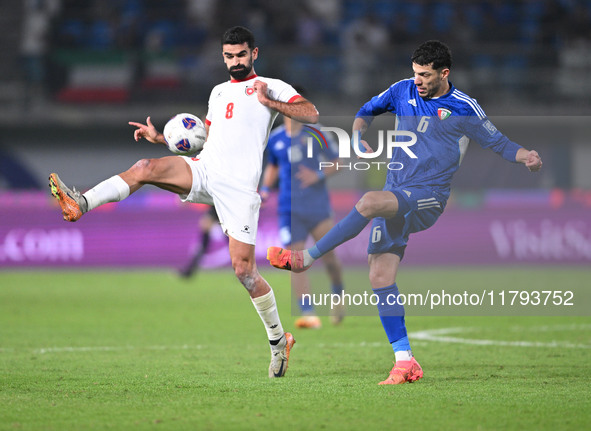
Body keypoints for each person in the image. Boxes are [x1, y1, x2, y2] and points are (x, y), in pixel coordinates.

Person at [48, 26, 319, 378]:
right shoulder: (218, 92)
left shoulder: (272, 86)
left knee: (244, 271)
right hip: (205, 170)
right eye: (228, 56)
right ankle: (80, 203)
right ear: (223, 57)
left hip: (239, 189)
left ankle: (278, 341)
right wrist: (162, 138)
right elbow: (206, 141)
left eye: (241, 55)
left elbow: (311, 113)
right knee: (144, 167)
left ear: (255, 54)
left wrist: (273, 103)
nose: (235, 61)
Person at [267, 40, 542, 385]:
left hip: (429, 196)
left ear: (444, 73)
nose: (419, 81)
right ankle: (405, 360)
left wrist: (526, 157)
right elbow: (366, 110)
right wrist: (356, 135)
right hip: (397, 191)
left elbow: (498, 142)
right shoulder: (402, 90)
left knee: (368, 201)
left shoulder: (463, 106)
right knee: (380, 276)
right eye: (415, 74)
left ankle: (305, 258)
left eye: (425, 76)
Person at [261, 88, 345, 329]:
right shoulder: (276, 138)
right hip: (289, 209)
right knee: (294, 261)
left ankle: (338, 296)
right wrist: (266, 190)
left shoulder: (316, 134)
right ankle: (308, 313)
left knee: (329, 257)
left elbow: (339, 162)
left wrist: (318, 174)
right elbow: (273, 167)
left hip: (317, 207)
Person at [178, 206, 221, 278]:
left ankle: (189, 271)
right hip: (218, 207)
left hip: (219, 207)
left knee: (232, 241)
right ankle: (189, 270)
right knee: (204, 244)